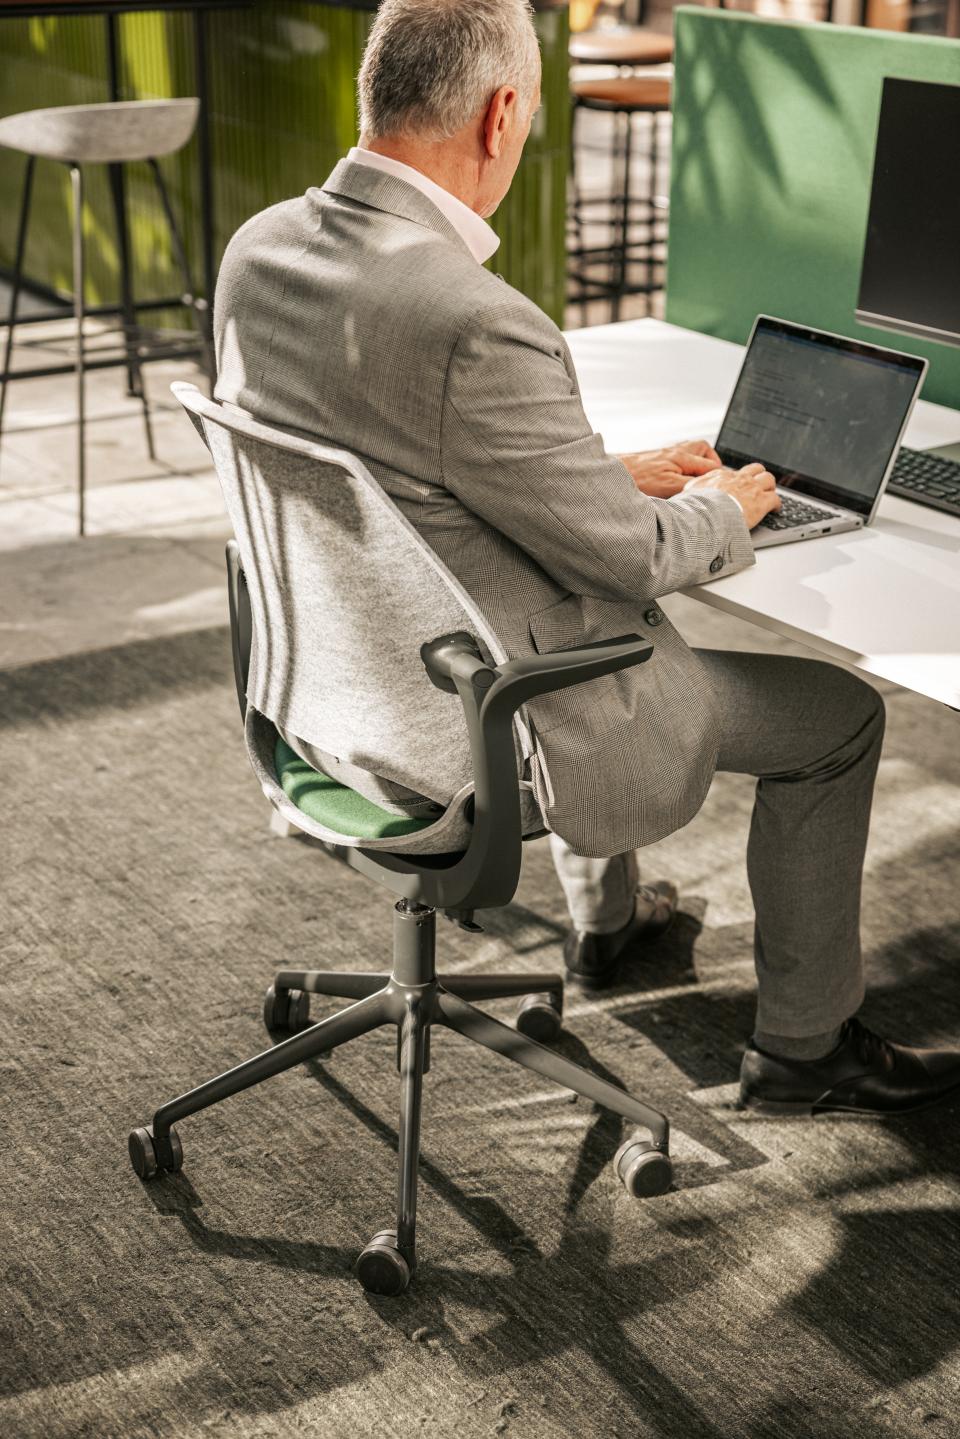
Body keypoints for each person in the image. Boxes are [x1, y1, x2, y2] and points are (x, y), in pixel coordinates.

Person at [214, 0, 960, 1116]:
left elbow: (423, 470)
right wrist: (727, 499)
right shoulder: (476, 316)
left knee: (558, 601)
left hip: (337, 693)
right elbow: (629, 561)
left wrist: (610, 466)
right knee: (840, 719)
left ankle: (607, 927)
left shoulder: (260, 252)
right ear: (504, 113)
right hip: (481, 716)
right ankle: (807, 1049)